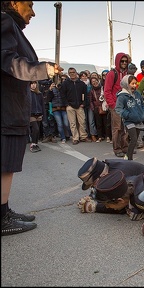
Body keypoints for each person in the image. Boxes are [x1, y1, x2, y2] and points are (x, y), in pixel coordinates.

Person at [1, 0, 63, 236]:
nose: (33, 12)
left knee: (8, 163)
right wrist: (41, 69)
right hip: (6, 106)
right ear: (14, 3)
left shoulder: (11, 25)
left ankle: (4, 209)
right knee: (5, 163)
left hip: (12, 105)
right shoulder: (4, 20)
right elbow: (7, 61)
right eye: (29, 4)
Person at [104, 52, 130, 157]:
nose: (124, 63)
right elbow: (107, 91)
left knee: (126, 127)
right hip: (116, 105)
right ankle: (117, 148)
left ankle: (125, 147)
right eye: (122, 61)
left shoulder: (127, 74)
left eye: (125, 61)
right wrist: (113, 105)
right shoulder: (112, 74)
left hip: (126, 106)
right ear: (117, 61)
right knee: (117, 128)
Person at [115, 75, 144, 161]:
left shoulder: (137, 94)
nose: (134, 85)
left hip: (139, 119)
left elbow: (143, 104)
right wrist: (127, 115)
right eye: (132, 83)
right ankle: (129, 158)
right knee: (133, 139)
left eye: (135, 83)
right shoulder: (122, 96)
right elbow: (118, 109)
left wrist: (143, 113)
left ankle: (127, 156)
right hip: (129, 121)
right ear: (126, 84)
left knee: (135, 140)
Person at [60, 67, 91, 145]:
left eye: (73, 72)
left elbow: (85, 95)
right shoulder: (65, 83)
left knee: (82, 121)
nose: (72, 74)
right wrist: (66, 104)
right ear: (69, 74)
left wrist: (83, 104)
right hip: (70, 106)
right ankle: (75, 138)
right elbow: (63, 95)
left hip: (80, 105)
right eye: (70, 73)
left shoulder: (81, 84)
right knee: (72, 123)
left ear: (76, 73)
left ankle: (83, 136)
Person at [48, 78, 72, 144]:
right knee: (60, 124)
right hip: (55, 109)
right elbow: (49, 99)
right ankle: (63, 137)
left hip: (63, 108)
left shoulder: (63, 88)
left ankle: (67, 135)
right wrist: (50, 90)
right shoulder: (52, 88)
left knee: (66, 124)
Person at [29, 81, 44, 152]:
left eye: (34, 83)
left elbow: (42, 104)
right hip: (31, 114)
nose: (33, 85)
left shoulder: (39, 94)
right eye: (32, 84)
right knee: (35, 129)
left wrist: (42, 113)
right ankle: (32, 144)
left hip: (39, 113)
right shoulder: (27, 93)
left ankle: (36, 144)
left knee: (38, 131)